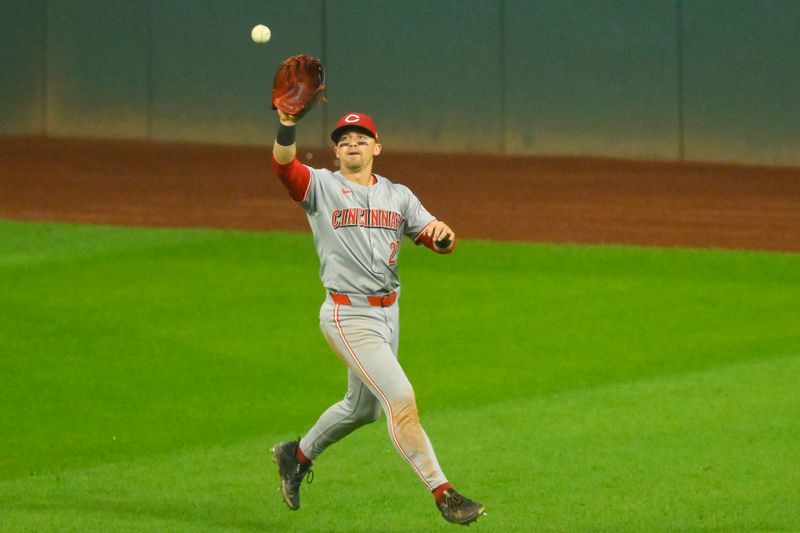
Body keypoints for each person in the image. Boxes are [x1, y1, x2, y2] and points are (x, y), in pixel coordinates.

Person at [269, 108, 485, 526]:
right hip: (348, 317)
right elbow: (284, 166)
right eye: (344, 139)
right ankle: (444, 493)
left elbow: (432, 233)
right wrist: (287, 123)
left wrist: (444, 236)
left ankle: (293, 456)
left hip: (389, 315)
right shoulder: (321, 186)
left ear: (377, 147)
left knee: (361, 409)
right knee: (400, 398)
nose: (352, 143)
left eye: (361, 137)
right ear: (336, 151)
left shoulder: (398, 195)